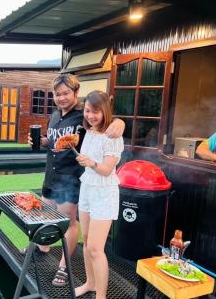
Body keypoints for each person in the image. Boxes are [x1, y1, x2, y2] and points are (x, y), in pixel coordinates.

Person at [28, 74, 125, 287]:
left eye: (66, 93)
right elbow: (54, 141)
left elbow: (108, 121)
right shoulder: (54, 116)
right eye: (57, 94)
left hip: (71, 179)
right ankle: (44, 246)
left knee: (69, 224)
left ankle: (63, 265)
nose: (61, 98)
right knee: (46, 214)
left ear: (75, 93)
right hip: (51, 175)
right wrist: (43, 141)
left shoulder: (84, 115)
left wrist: (120, 123)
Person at [75, 90, 124, 299]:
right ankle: (90, 283)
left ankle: (101, 296)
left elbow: (106, 169)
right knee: (86, 241)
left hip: (104, 192)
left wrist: (92, 163)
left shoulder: (113, 136)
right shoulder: (89, 131)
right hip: (87, 188)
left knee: (96, 248)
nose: (90, 115)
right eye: (87, 110)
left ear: (104, 111)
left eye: (96, 111)